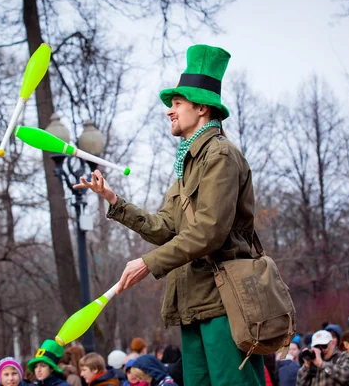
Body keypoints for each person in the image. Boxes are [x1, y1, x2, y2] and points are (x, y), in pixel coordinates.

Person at [74, 44, 265, 386]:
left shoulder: (219, 156)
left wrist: (148, 263)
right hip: (193, 304)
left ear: (201, 108)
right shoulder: (186, 163)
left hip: (225, 304)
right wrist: (113, 200)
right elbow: (166, 228)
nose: (170, 111)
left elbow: (209, 232)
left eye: (177, 103)